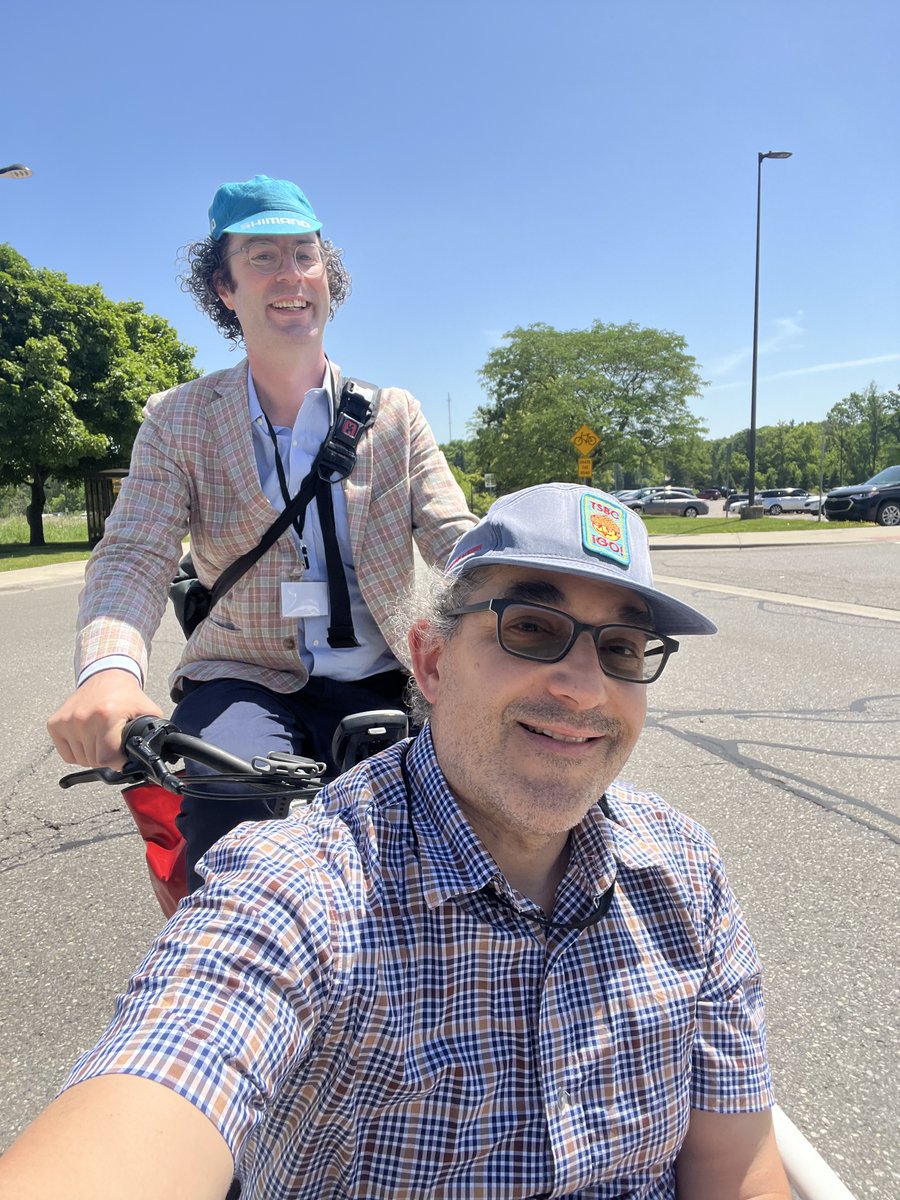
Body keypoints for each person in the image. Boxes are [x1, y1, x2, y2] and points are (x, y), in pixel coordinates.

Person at [7, 484, 790, 1199]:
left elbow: (737, 1171)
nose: (584, 688)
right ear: (432, 660)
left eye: (621, 648)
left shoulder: (686, 871)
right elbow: (174, 1061)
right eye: (530, 628)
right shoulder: (302, 887)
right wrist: (110, 665)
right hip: (246, 678)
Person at [47, 174, 475, 887]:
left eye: (304, 256)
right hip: (245, 678)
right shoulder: (177, 418)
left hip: (385, 674)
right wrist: (111, 674)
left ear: (327, 276)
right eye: (263, 259)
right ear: (224, 287)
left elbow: (454, 537)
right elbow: (134, 553)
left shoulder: (395, 414)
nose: (291, 277)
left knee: (438, 851)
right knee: (224, 829)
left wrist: (532, 589)